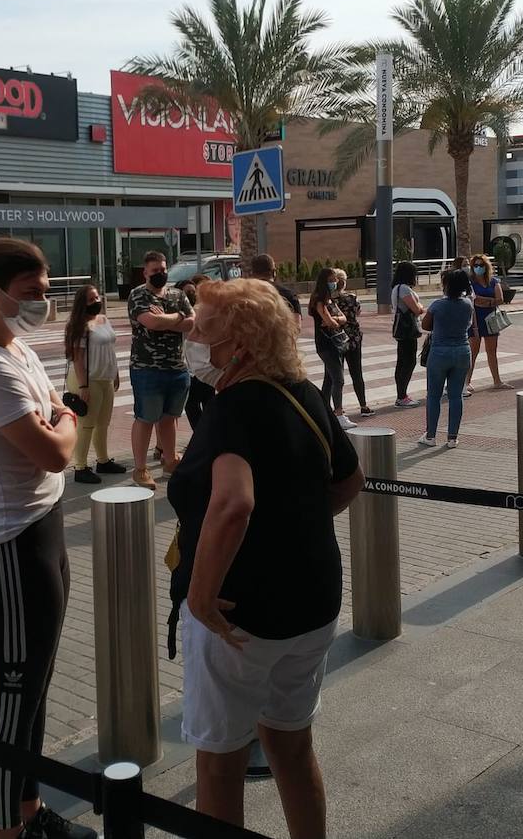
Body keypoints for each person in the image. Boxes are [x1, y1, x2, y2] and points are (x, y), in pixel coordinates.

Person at [166, 279, 363, 837]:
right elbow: (350, 481)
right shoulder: (302, 392)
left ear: (240, 342)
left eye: (202, 327)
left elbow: (234, 504)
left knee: (219, 762)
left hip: (240, 615)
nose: (192, 336)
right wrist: (294, 528)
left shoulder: (232, 407)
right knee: (291, 745)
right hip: (313, 601)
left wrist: (201, 596)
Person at [0, 240, 95, 839]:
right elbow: (56, 451)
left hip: (43, 531)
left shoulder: (17, 350)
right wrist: (68, 418)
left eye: (46, 290)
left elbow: (56, 414)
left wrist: (61, 417)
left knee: (36, 684)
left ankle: (29, 812)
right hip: (9, 546)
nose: (43, 302)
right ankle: (6, 830)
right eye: (31, 292)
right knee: (14, 697)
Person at [127, 251, 193, 490]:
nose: (160, 274)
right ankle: (140, 469)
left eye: (163, 270)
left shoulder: (177, 294)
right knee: (146, 418)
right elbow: (151, 322)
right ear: (145, 272)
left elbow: (192, 322)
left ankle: (170, 460)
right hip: (147, 369)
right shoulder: (138, 295)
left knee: (170, 417)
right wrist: (178, 317)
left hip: (176, 367)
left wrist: (168, 318)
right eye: (155, 271)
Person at [62, 284, 124, 485]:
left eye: (97, 297)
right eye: (91, 299)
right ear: (82, 304)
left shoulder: (103, 319)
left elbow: (110, 348)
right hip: (88, 380)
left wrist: (115, 373)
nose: (96, 302)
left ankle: (103, 461)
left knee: (103, 423)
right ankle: (80, 467)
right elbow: (77, 358)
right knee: (86, 424)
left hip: (105, 378)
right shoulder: (79, 326)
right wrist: (83, 387)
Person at [420, 269, 476, 447]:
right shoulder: (468, 304)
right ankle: (452, 437)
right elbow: (469, 324)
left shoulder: (437, 305)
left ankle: (430, 436)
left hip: (440, 352)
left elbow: (425, 325)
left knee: (433, 396)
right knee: (456, 396)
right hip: (462, 351)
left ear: (447, 285)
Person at [309, 268, 353, 430]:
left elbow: (343, 319)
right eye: (331, 280)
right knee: (338, 379)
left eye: (335, 280)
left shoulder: (330, 300)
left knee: (329, 381)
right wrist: (334, 320)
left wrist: (334, 319)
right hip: (326, 344)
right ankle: (338, 414)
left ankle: (323, 411)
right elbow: (330, 323)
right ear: (323, 282)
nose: (334, 283)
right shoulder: (319, 300)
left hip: (336, 343)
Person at [465, 254, 512, 392]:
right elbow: (472, 299)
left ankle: (497, 381)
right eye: (475, 265)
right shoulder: (470, 282)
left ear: (486, 266)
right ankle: (467, 382)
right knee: (473, 351)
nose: (478, 268)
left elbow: (500, 299)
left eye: (481, 265)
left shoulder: (493, 281)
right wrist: (490, 300)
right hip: (475, 319)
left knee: (492, 351)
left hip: (490, 318)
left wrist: (484, 301)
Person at [332, 267, 375, 417]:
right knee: (356, 372)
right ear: (344, 282)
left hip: (336, 338)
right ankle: (363, 405)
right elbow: (358, 312)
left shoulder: (330, 300)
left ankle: (337, 407)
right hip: (353, 338)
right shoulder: (352, 297)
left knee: (335, 376)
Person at [180, 276, 219, 429]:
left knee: (208, 402)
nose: (191, 295)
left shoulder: (203, 312)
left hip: (204, 365)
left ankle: (209, 433)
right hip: (187, 368)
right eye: (187, 292)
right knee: (191, 405)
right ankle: (201, 433)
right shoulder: (178, 313)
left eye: (192, 291)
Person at [391, 262, 424, 408]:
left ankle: (401, 395)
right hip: (407, 330)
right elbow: (417, 309)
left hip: (402, 329)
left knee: (402, 362)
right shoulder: (404, 288)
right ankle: (402, 396)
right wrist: (421, 306)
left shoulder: (396, 288)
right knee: (408, 362)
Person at [249, 253, 302, 318]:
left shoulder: (244, 296)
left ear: (253, 273)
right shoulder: (289, 295)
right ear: (274, 272)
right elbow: (296, 322)